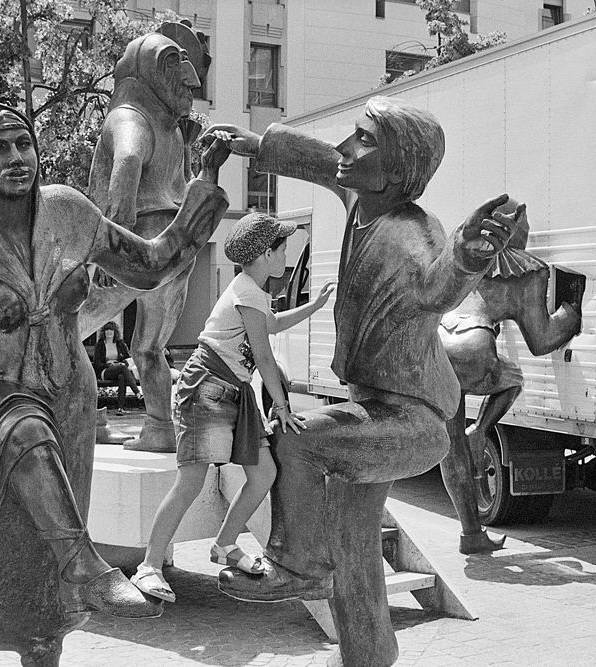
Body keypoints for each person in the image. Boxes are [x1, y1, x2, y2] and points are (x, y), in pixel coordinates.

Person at [203, 96, 519, 667]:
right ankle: (370, 653)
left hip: (412, 419)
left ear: (396, 169)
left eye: (364, 139)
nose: (346, 148)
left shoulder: (412, 232)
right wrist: (257, 144)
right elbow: (324, 160)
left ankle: (299, 563)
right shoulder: (361, 196)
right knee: (353, 546)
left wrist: (467, 257)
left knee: (297, 440)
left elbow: (436, 287)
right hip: (371, 406)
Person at [0, 102, 230, 665]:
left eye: (23, 143)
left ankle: (46, 640)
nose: (17, 157)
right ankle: (86, 566)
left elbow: (150, 265)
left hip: (68, 397)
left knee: (43, 576)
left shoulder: (68, 213)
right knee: (20, 428)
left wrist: (202, 189)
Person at [130, 213, 335, 603]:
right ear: (266, 253)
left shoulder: (251, 291)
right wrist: (282, 406)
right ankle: (149, 567)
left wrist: (315, 306)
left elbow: (271, 325)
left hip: (233, 392)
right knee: (190, 481)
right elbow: (265, 356)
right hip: (206, 389)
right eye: (283, 248)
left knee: (264, 473)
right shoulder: (248, 292)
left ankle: (225, 545)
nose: (287, 256)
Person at [78, 23, 211, 453]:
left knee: (68, 332)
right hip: (176, 246)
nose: (192, 87)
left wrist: (109, 250)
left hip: (138, 242)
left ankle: (84, 421)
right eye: (180, 75)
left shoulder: (130, 118)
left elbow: (128, 161)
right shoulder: (171, 130)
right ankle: (158, 427)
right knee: (150, 347)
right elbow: (186, 185)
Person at [438, 199, 583, 554]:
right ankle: (481, 429)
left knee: (451, 447)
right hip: (474, 348)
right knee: (513, 377)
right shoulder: (525, 272)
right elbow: (541, 340)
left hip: (438, 347)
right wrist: (570, 312)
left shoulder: (461, 259)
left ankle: (471, 534)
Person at [94, 321, 143, 415]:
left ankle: (120, 408)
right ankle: (137, 392)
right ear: (103, 332)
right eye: (107, 330)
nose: (109, 332)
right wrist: (109, 365)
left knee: (122, 377)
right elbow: (97, 364)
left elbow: (128, 358)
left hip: (119, 369)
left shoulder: (120, 344)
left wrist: (121, 363)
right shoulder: (99, 345)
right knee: (122, 368)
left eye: (111, 330)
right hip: (105, 371)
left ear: (115, 332)